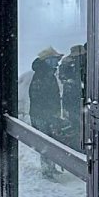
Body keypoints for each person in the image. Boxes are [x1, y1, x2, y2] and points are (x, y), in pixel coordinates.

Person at [28, 47, 64, 180]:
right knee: (45, 142)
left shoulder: (47, 73)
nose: (57, 62)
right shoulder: (42, 75)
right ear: (48, 60)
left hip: (46, 115)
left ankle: (51, 167)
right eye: (55, 59)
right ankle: (47, 170)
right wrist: (50, 114)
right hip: (42, 116)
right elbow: (38, 98)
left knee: (50, 141)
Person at [58, 44, 87, 150]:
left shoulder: (67, 63)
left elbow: (63, 78)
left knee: (76, 126)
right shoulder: (74, 64)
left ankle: (77, 147)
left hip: (73, 102)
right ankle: (78, 148)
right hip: (77, 101)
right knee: (79, 127)